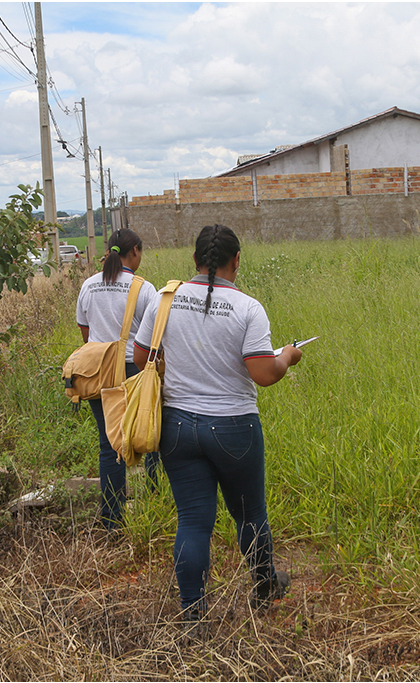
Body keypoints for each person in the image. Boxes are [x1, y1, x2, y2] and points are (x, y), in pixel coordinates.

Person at [133, 224, 302, 620]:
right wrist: (289, 356)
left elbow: (142, 359)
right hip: (233, 429)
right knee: (249, 514)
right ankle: (264, 588)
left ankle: (193, 613)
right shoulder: (248, 308)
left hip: (177, 428)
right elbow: (262, 372)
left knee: (193, 522)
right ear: (237, 261)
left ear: (194, 260)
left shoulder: (165, 301)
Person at [75, 229, 160, 530]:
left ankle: (112, 521)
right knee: (149, 437)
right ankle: (157, 505)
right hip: (135, 371)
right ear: (134, 251)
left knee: (109, 445)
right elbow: (152, 339)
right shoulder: (144, 288)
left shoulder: (88, 285)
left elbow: (86, 335)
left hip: (98, 372)